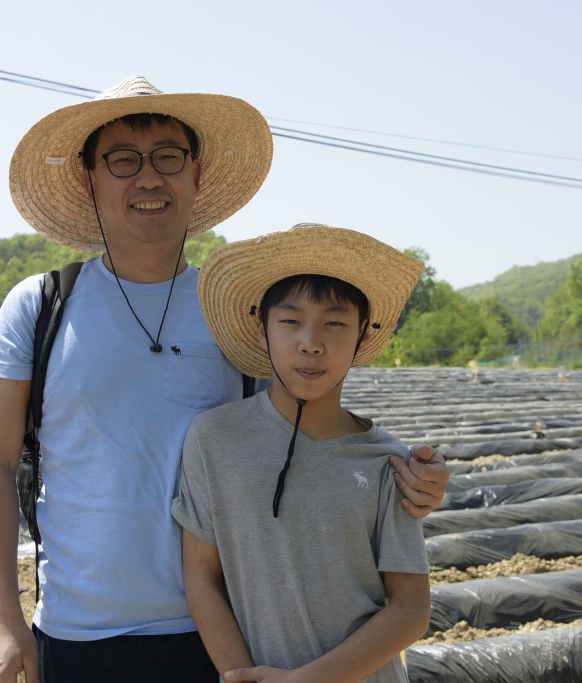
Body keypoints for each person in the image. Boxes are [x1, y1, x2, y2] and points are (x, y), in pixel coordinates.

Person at [0, 75, 449, 683]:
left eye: (168, 157)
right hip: (76, 631)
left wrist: (409, 478)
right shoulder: (40, 307)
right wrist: (4, 619)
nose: (149, 178)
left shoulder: (237, 315)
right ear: (90, 177)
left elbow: (308, 429)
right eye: (122, 160)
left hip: (222, 632)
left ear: (195, 173)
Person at [174, 225, 431, 682]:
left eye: (335, 323)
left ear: (361, 337)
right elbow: (201, 578)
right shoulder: (214, 439)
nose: (310, 341)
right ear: (262, 330)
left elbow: (411, 610)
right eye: (290, 321)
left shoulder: (387, 461)